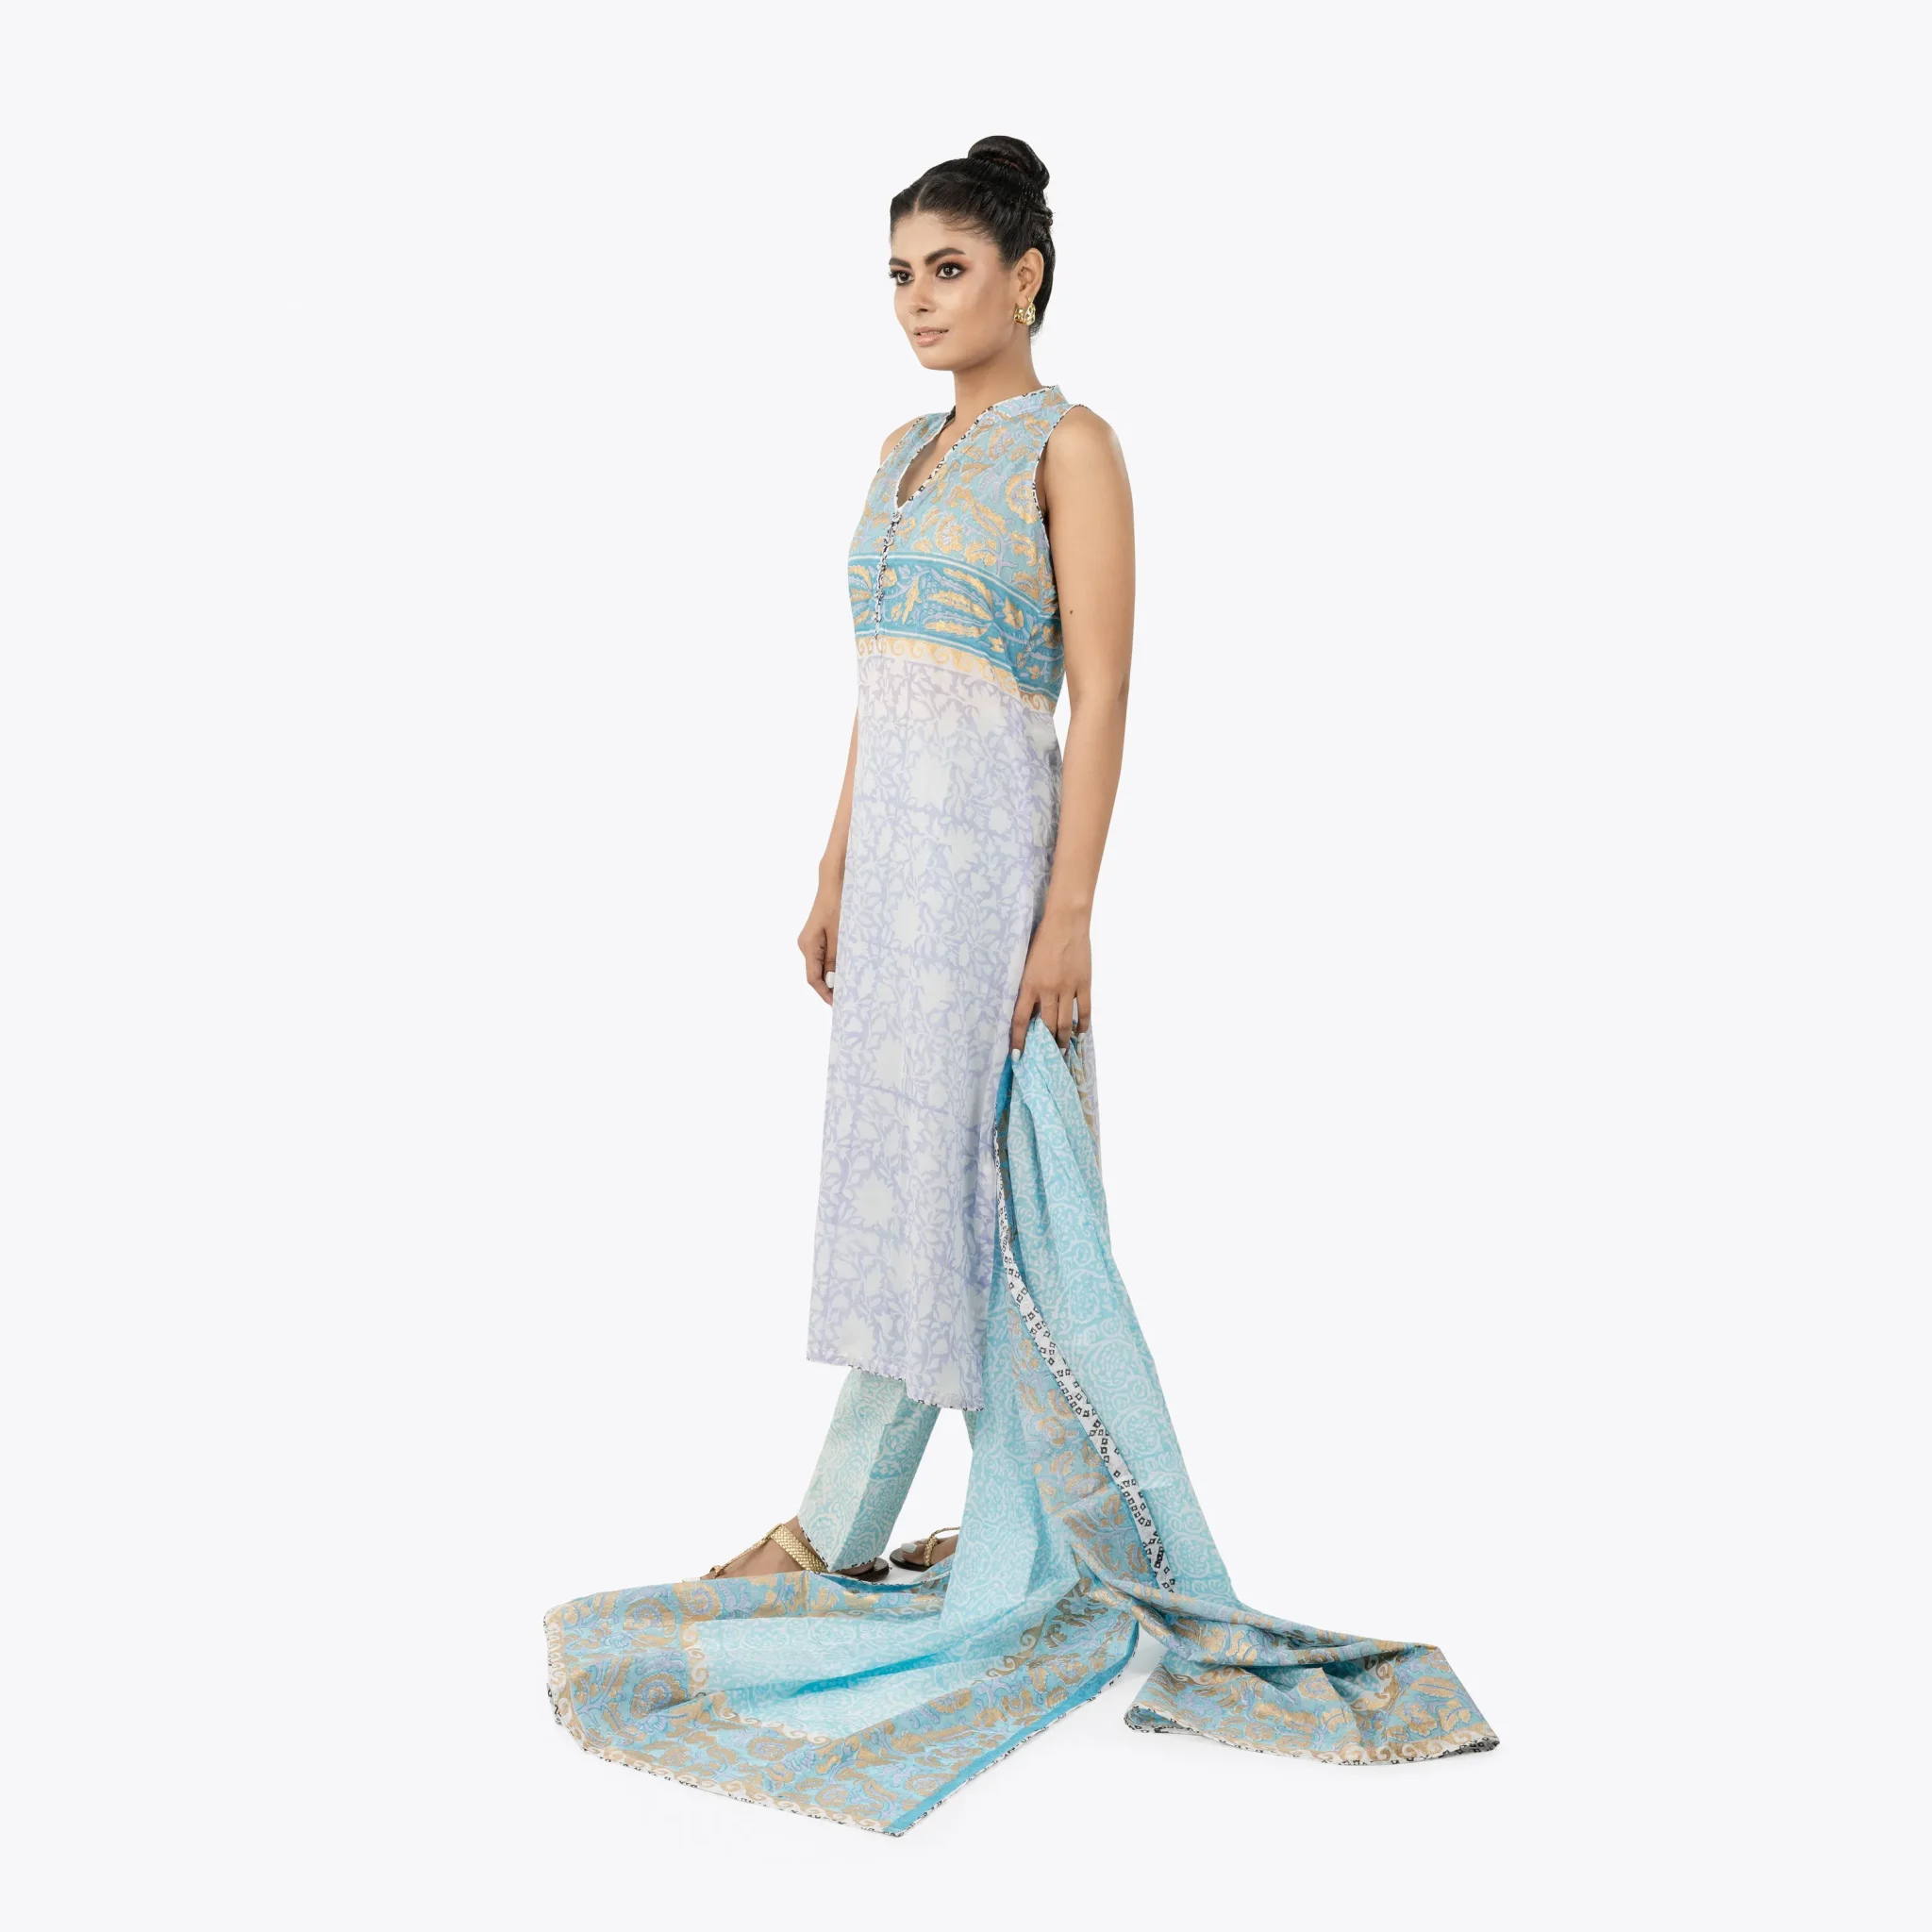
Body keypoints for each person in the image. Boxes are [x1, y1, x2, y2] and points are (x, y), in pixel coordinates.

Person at [545, 138, 1496, 1835]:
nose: (918, 303)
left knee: (981, 1196)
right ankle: (861, 1524)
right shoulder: (898, 451)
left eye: (949, 270)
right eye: (898, 275)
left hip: (996, 879)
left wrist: (1072, 912)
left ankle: (836, 1533)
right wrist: (834, 864)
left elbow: (1104, 691)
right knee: (905, 1200)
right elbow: (880, 681)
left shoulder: (1074, 446)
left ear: (1026, 276)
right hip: (896, 885)